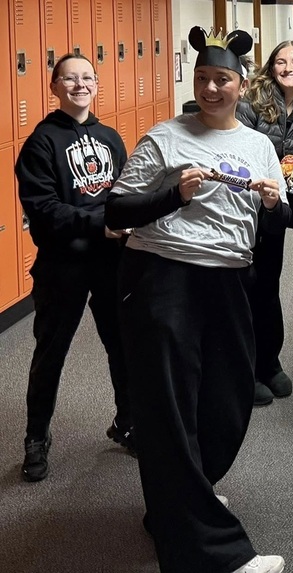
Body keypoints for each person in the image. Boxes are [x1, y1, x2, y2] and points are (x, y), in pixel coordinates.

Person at [105, 27, 287, 573]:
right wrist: (173, 192)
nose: (211, 89)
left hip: (228, 281)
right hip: (164, 278)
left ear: (241, 83)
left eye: (223, 80)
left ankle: (180, 501)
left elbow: (275, 219)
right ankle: (213, 555)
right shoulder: (164, 137)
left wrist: (275, 205)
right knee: (168, 408)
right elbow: (117, 212)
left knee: (225, 401)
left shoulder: (258, 145)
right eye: (203, 79)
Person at [15, 53, 134, 483]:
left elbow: (124, 193)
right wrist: (100, 223)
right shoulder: (41, 143)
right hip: (63, 266)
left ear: (97, 84)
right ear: (54, 86)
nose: (80, 84)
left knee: (121, 346)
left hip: (110, 265)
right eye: (70, 78)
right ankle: (35, 437)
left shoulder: (110, 137)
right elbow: (43, 211)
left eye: (87, 77)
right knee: (51, 353)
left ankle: (128, 422)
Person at [237, 41, 293, 405]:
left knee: (269, 284)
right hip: (243, 205)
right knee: (244, 285)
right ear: (271, 67)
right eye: (281, 61)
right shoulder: (252, 101)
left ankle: (269, 362)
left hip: (277, 208)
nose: (288, 67)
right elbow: (236, 148)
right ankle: (245, 368)